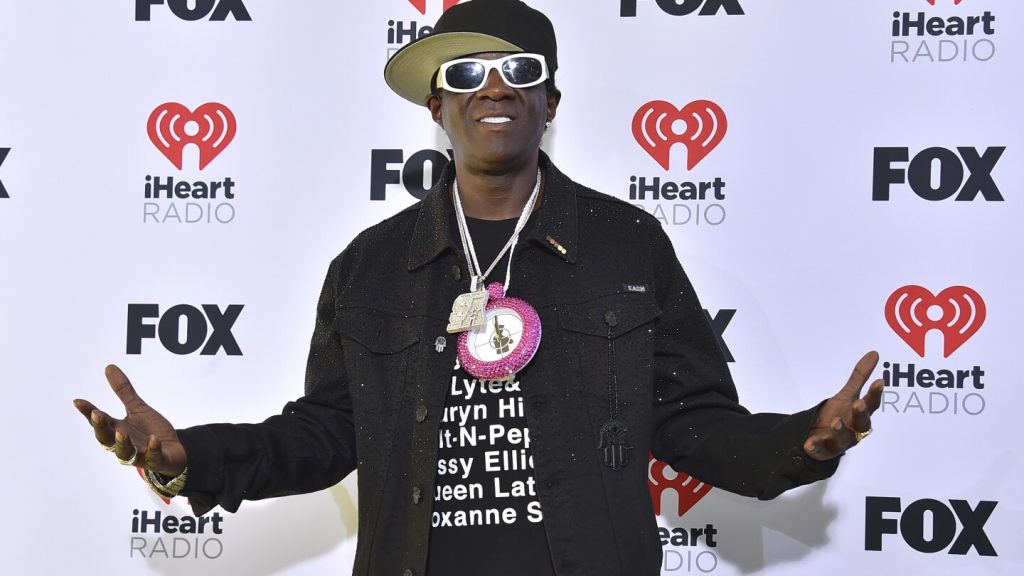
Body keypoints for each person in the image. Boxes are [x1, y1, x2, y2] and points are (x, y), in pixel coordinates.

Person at [74, 1, 883, 574]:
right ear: (438, 105)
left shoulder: (626, 244)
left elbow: (691, 421)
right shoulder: (370, 266)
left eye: (519, 71)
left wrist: (800, 441)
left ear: (550, 101)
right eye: (468, 72)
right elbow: (324, 435)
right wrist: (189, 457)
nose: (495, 88)